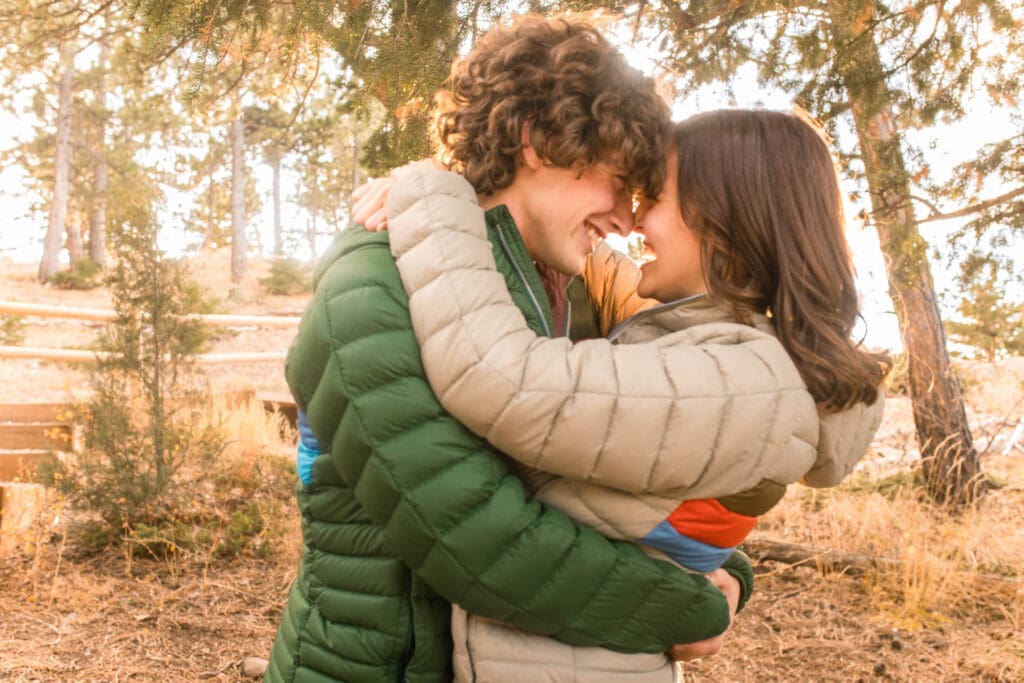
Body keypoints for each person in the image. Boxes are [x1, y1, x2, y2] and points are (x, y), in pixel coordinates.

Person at [263, 16, 754, 683]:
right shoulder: (372, 277)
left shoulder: (574, 299)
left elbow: (620, 483)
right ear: (536, 139)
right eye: (615, 178)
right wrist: (686, 606)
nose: (626, 218)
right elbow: (469, 534)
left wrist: (719, 568)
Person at [370, 108, 889, 680]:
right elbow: (633, 511)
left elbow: (504, 380)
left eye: (656, 199)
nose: (636, 222)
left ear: (726, 220)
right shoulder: (721, 352)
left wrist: (432, 194)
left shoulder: (747, 380)